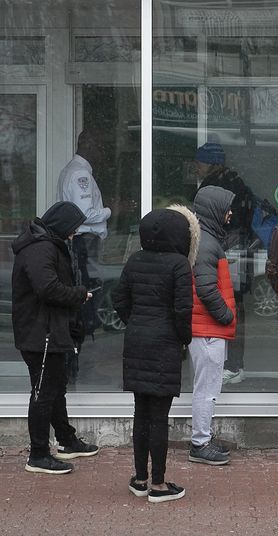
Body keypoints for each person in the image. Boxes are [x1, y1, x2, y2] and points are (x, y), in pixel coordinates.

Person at [113, 206, 197, 502]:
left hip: (136, 341)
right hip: (165, 344)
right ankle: (159, 485)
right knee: (159, 417)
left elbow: (119, 298)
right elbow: (183, 309)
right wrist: (183, 339)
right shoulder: (179, 265)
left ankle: (139, 478)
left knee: (141, 413)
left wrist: (135, 322)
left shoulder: (135, 260)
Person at [11, 201, 100, 475]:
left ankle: (66, 439)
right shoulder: (41, 248)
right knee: (43, 392)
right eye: (72, 229)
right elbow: (47, 288)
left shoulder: (45, 244)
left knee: (54, 386)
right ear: (62, 227)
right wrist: (78, 294)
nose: (74, 235)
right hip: (41, 332)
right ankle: (38, 454)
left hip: (48, 330)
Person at [193, 141, 253, 385]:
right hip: (238, 252)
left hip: (228, 254)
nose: (196, 167)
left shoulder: (213, 186)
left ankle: (230, 364)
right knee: (235, 307)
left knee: (226, 309)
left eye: (199, 162)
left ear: (211, 164)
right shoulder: (237, 181)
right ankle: (233, 363)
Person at [58, 130, 112, 384]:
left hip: (83, 242)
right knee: (87, 299)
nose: (102, 152)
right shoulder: (80, 174)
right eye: (99, 145)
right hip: (85, 241)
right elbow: (85, 214)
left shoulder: (75, 171)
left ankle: (77, 363)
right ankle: (77, 364)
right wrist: (111, 210)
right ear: (87, 145)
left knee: (87, 298)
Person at [188, 186, 236, 466]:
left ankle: (203, 437)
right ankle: (200, 443)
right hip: (208, 329)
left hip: (207, 328)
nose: (230, 213)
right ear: (214, 209)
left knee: (207, 386)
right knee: (206, 388)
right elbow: (206, 289)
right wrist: (226, 315)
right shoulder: (206, 243)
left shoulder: (205, 239)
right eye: (226, 208)